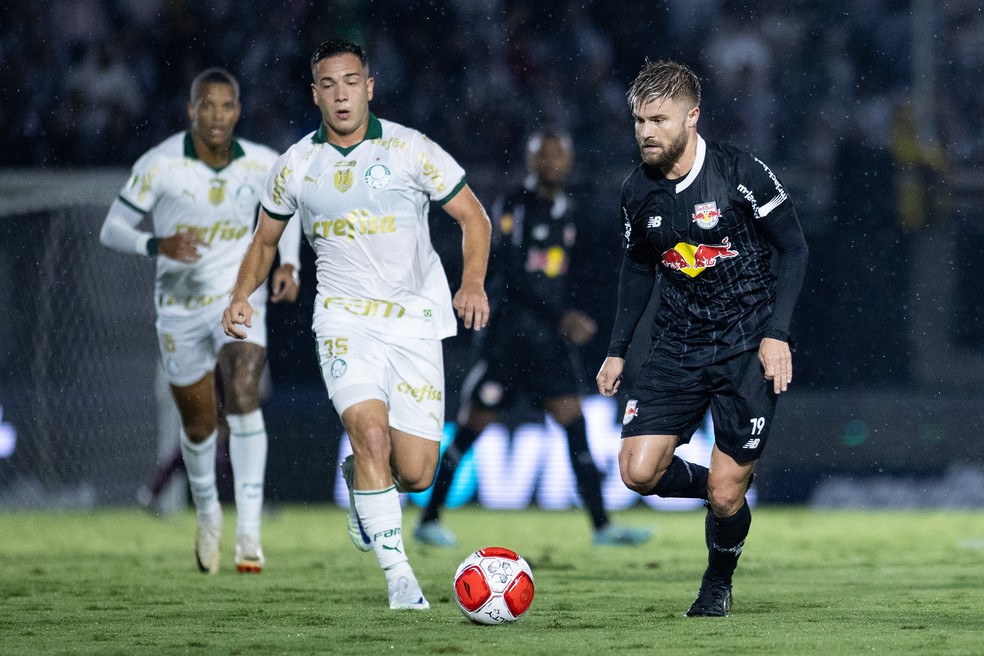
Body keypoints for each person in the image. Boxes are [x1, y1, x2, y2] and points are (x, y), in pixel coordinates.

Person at [221, 39, 491, 610]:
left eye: (351, 82)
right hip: (344, 322)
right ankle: (400, 579)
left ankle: (360, 477)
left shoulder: (411, 149)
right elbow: (265, 240)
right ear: (314, 93)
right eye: (329, 84)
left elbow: (474, 217)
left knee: (417, 473)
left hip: (415, 322)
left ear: (369, 87)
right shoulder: (295, 164)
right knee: (369, 434)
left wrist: (472, 283)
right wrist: (241, 295)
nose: (341, 94)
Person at [595, 60, 808, 617]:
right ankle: (723, 489)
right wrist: (617, 349)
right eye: (639, 121)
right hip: (678, 346)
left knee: (725, 495)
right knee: (638, 472)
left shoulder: (741, 173)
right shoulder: (636, 190)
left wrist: (777, 335)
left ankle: (717, 582)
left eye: (658, 120)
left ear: (692, 117)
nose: (646, 132)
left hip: (747, 347)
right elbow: (637, 267)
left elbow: (795, 247)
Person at [100, 67, 301, 574]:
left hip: (237, 300)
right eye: (207, 105)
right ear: (192, 110)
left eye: (226, 106)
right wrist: (157, 243)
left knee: (244, 395)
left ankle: (249, 531)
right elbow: (112, 227)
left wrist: (290, 264)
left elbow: (291, 209)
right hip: (179, 309)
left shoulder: (263, 162)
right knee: (199, 425)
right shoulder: (161, 164)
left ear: (238, 111)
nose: (217, 116)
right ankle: (208, 511)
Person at [414, 127, 652, 548]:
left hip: (547, 345)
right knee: (470, 430)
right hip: (508, 342)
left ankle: (602, 527)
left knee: (575, 427)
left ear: (569, 161)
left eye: (558, 155)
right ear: (530, 160)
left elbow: (560, 276)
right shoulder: (515, 206)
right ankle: (428, 520)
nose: (551, 163)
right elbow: (510, 273)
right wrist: (563, 316)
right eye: (544, 155)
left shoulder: (567, 210)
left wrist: (570, 314)